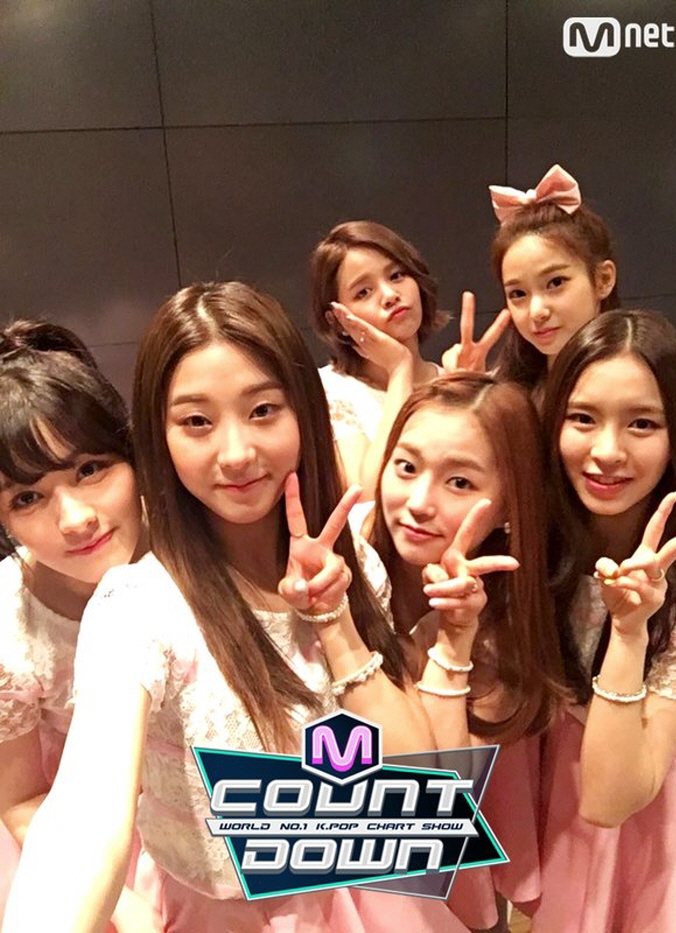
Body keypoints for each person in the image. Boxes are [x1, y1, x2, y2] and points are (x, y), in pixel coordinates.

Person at [5, 283, 472, 933]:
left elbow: (416, 781)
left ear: (303, 410)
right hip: (226, 913)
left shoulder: (354, 563)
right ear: (159, 437)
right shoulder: (137, 605)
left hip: (372, 887)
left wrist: (335, 620)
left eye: (262, 410)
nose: (235, 453)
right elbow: (85, 809)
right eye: (197, 422)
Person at [363, 372, 565, 927]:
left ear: (509, 506)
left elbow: (433, 802)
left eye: (459, 482)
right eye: (406, 467)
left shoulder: (507, 626)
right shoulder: (344, 567)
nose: (418, 503)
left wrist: (456, 635)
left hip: (436, 888)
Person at [536, 309, 676, 932]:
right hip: (550, 821)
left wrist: (629, 634)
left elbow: (611, 800)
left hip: (655, 833)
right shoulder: (535, 545)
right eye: (583, 418)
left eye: (642, 423)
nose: (607, 451)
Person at [0, 320, 150, 930]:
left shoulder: (197, 549)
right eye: (27, 498)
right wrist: (123, 902)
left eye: (90, 469)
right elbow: (20, 797)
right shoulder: (10, 631)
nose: (75, 520)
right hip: (98, 849)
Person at [311, 221, 508, 491]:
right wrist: (399, 369)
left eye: (396, 276)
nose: (390, 295)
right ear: (337, 321)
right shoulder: (330, 391)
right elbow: (366, 494)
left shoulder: (455, 378)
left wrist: (470, 391)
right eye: (364, 292)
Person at [488, 164, 618, 396]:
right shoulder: (507, 391)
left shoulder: (645, 381)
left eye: (556, 283)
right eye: (518, 294)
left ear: (603, 279)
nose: (537, 312)